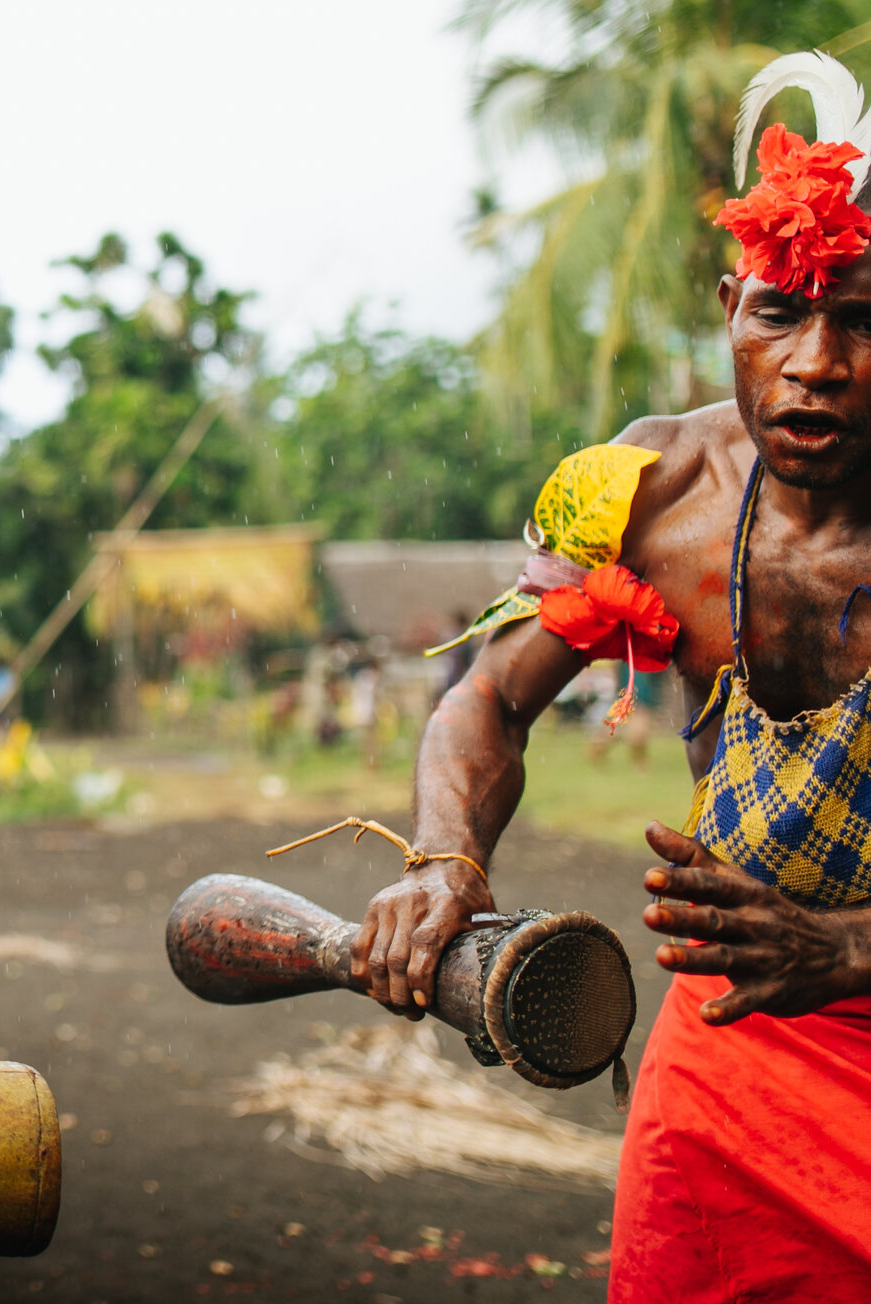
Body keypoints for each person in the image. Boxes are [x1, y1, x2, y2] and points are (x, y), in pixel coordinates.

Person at [359, 56, 871, 1300]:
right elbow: (485, 697)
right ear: (723, 303)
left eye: (864, 318)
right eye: (777, 313)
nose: (816, 361)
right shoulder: (651, 490)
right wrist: (446, 860)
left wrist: (849, 948)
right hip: (730, 1057)